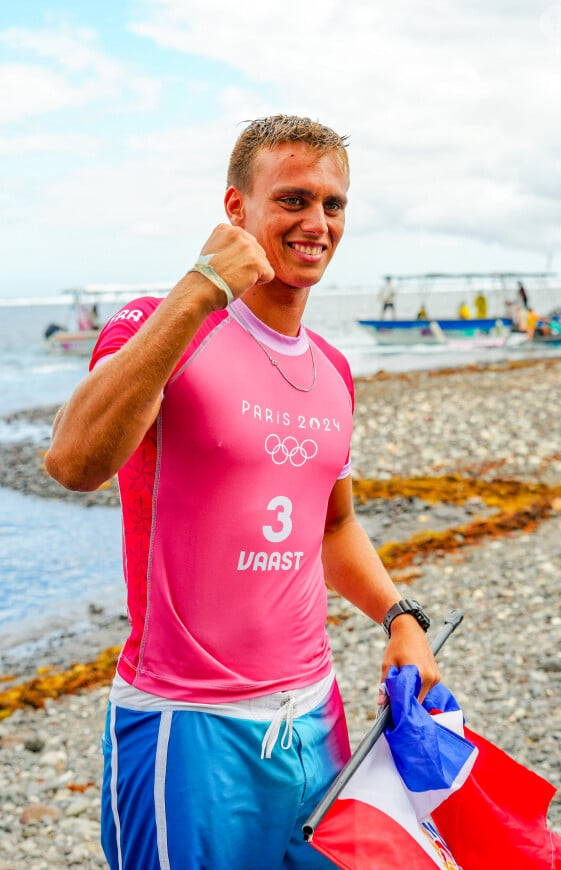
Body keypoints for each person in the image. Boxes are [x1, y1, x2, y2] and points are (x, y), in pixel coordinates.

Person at [45, 115, 439, 870]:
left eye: (334, 204)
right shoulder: (157, 325)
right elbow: (73, 462)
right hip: (188, 726)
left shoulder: (331, 369)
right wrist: (201, 288)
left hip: (313, 716)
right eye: (293, 199)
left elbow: (331, 527)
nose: (316, 223)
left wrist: (400, 617)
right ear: (236, 209)